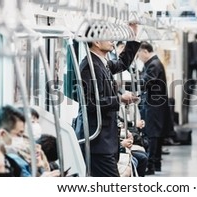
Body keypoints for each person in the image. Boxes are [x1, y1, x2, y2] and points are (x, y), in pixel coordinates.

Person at [73, 23, 141, 177]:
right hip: (97, 142)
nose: (113, 40)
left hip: (106, 141)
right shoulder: (89, 67)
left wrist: (132, 37)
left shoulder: (101, 63)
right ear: (96, 42)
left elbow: (123, 63)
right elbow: (90, 104)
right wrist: (120, 99)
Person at [137, 41, 174, 175]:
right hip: (156, 104)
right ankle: (156, 163)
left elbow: (145, 82)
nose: (139, 57)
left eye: (139, 53)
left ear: (145, 51)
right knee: (156, 134)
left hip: (154, 105)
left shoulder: (153, 65)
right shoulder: (154, 63)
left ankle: (150, 165)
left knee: (152, 134)